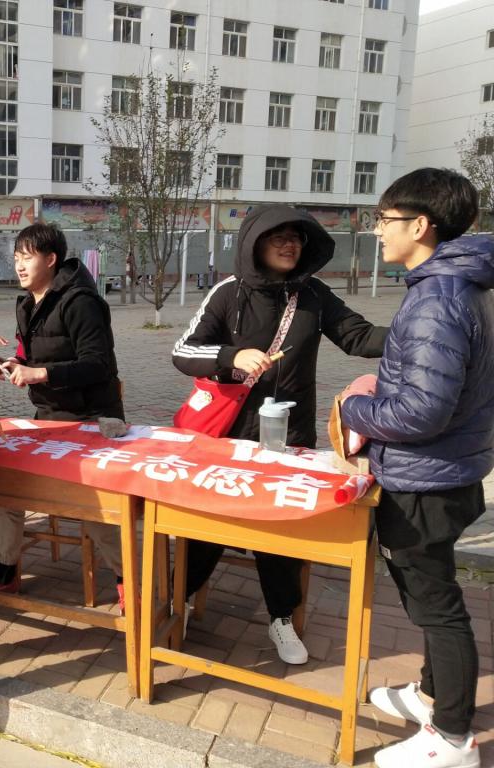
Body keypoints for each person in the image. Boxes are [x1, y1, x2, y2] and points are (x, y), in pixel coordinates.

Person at [171, 205, 386, 665]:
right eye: (278, 237)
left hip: (288, 435)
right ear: (256, 243)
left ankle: (281, 618)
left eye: (296, 238)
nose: (290, 245)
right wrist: (231, 356)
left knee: (281, 528)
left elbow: (359, 336)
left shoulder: (313, 295)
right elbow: (183, 351)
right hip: (227, 436)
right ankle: (181, 599)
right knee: (207, 524)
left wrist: (422, 333)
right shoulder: (228, 293)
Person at [340, 169, 492, 768]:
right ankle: (430, 694)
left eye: (385, 220)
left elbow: (422, 411)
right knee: (434, 596)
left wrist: (353, 407)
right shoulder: (455, 286)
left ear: (420, 225)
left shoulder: (438, 300)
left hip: (426, 479)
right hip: (443, 470)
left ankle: (452, 737)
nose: (378, 231)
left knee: (438, 607)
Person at [0, 222, 130, 611]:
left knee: (94, 505)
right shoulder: (27, 304)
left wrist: (40, 373)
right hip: (50, 417)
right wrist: (14, 364)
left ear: (51, 259)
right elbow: (32, 356)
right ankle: (6, 571)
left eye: (27, 257)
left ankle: (129, 582)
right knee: (4, 485)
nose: (19, 265)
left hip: (94, 419)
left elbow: (98, 364)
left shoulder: (81, 302)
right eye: (16, 257)